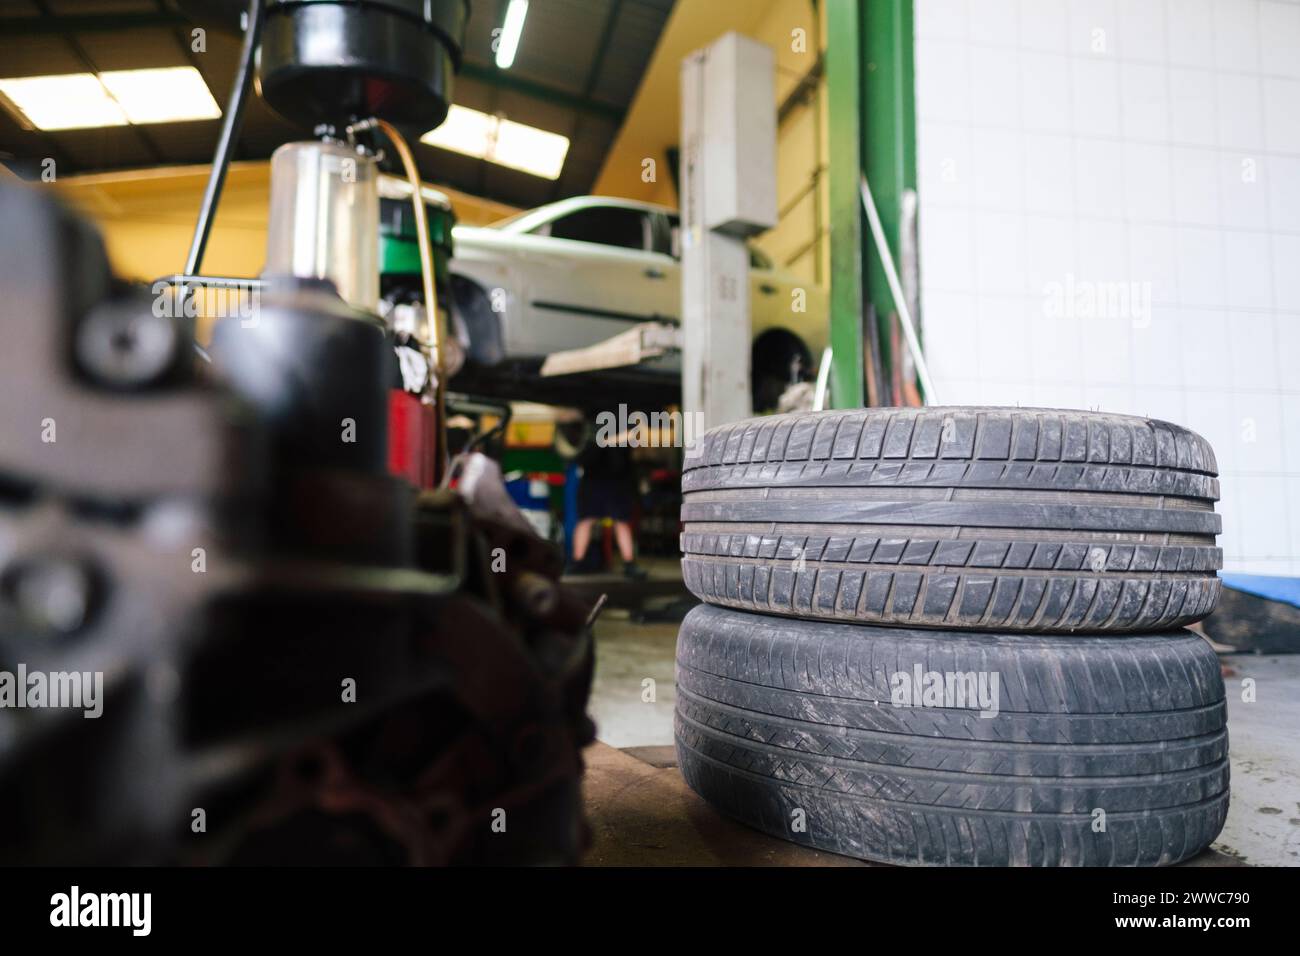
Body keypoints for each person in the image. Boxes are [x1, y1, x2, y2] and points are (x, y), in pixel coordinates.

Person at [569, 439, 646, 579]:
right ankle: (577, 562)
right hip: (595, 478)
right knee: (587, 521)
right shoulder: (592, 425)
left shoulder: (623, 423)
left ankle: (629, 564)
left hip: (616, 479)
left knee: (619, 522)